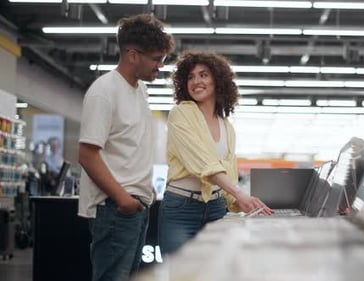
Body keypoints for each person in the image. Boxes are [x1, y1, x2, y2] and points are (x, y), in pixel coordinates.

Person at [77, 14, 175, 281]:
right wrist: (122, 198)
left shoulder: (140, 90)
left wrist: (146, 186)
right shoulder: (104, 92)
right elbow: (87, 154)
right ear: (133, 54)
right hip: (114, 209)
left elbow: (130, 144)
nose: (160, 66)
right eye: (156, 59)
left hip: (136, 206)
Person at [158, 50, 273, 256]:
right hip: (181, 209)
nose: (196, 81)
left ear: (217, 81)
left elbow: (228, 174)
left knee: (213, 271)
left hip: (216, 207)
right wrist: (240, 194)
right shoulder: (181, 113)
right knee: (181, 274)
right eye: (190, 77)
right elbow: (204, 163)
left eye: (203, 75)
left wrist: (247, 204)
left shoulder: (226, 125)